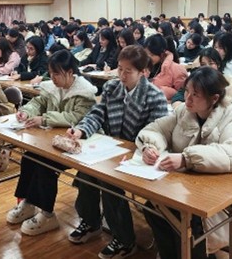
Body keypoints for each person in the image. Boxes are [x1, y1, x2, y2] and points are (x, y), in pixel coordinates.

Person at [138, 67, 232, 258]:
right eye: (187, 91)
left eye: (195, 95)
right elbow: (155, 129)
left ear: (214, 98)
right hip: (193, 186)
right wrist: (149, 147)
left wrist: (187, 158)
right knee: (154, 208)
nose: (187, 99)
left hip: (231, 197)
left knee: (189, 220)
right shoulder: (184, 112)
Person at [65, 45, 168, 258]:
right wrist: (81, 129)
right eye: (120, 68)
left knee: (108, 182)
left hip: (139, 154)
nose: (122, 75)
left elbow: (156, 132)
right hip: (112, 149)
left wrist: (146, 148)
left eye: (128, 71)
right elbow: (97, 113)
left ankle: (124, 239)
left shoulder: (154, 96)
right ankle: (91, 222)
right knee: (86, 171)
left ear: (143, 72)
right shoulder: (112, 87)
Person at [6, 50, 98, 236]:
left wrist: (45, 119)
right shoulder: (53, 87)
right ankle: (28, 203)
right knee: (29, 158)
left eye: (57, 73)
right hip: (53, 141)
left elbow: (75, 117)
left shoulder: (85, 93)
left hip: (76, 144)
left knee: (44, 165)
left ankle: (47, 214)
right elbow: (38, 102)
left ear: (70, 72)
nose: (53, 78)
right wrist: (26, 112)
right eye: (51, 73)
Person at [145, 34, 187, 100]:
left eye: (151, 55)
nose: (148, 57)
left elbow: (183, 95)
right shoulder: (145, 65)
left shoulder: (177, 69)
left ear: (162, 54)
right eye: (146, 54)